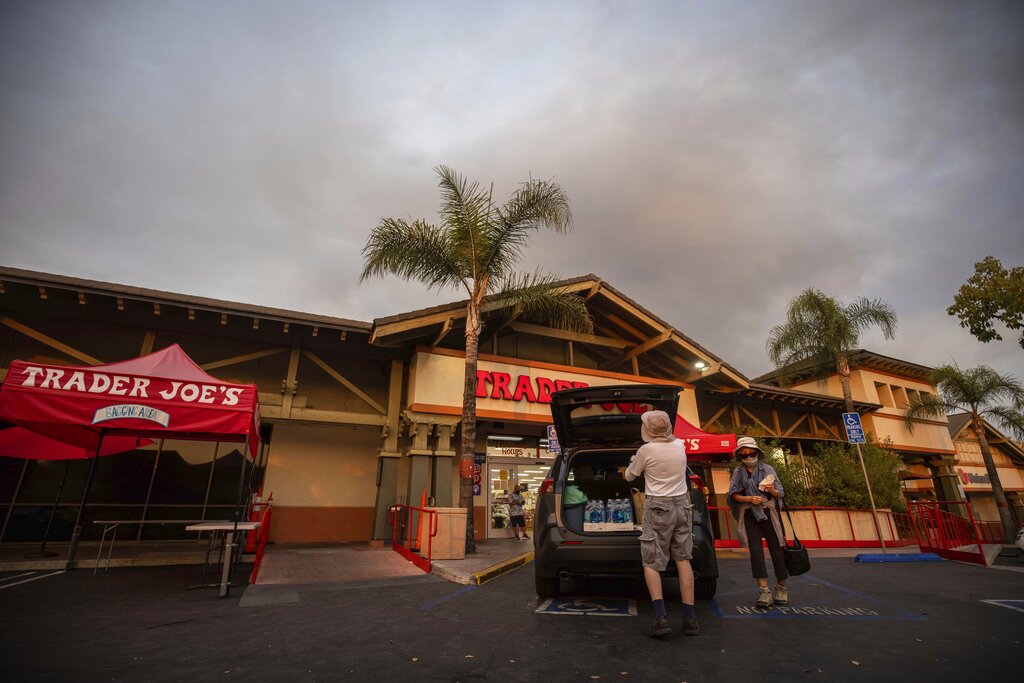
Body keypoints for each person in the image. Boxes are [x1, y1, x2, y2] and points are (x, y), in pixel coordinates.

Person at [624, 410, 698, 638]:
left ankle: (660, 618)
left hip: (658, 507)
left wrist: (632, 463)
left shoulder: (645, 450)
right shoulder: (680, 446)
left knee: (652, 561)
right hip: (682, 506)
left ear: (647, 430)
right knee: (683, 559)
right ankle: (690, 619)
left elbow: (629, 476)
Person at [727, 436, 789, 609]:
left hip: (769, 511)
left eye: (751, 453)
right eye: (744, 455)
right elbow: (732, 494)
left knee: (777, 549)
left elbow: (780, 494)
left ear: (757, 453)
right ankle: (764, 591)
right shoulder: (738, 472)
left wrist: (772, 490)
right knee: (756, 552)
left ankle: (782, 588)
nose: (748, 457)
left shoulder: (768, 469)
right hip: (750, 514)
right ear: (740, 457)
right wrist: (748, 498)